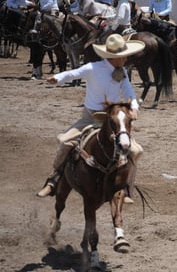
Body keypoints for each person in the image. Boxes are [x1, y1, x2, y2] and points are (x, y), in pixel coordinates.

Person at [36, 34, 145, 203]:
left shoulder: (122, 71)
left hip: (112, 121)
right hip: (90, 117)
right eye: (123, 55)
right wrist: (57, 78)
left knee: (136, 151)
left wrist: (134, 108)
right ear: (114, 57)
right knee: (66, 142)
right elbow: (73, 73)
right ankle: (53, 179)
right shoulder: (92, 68)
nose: (126, 58)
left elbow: (129, 91)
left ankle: (126, 188)